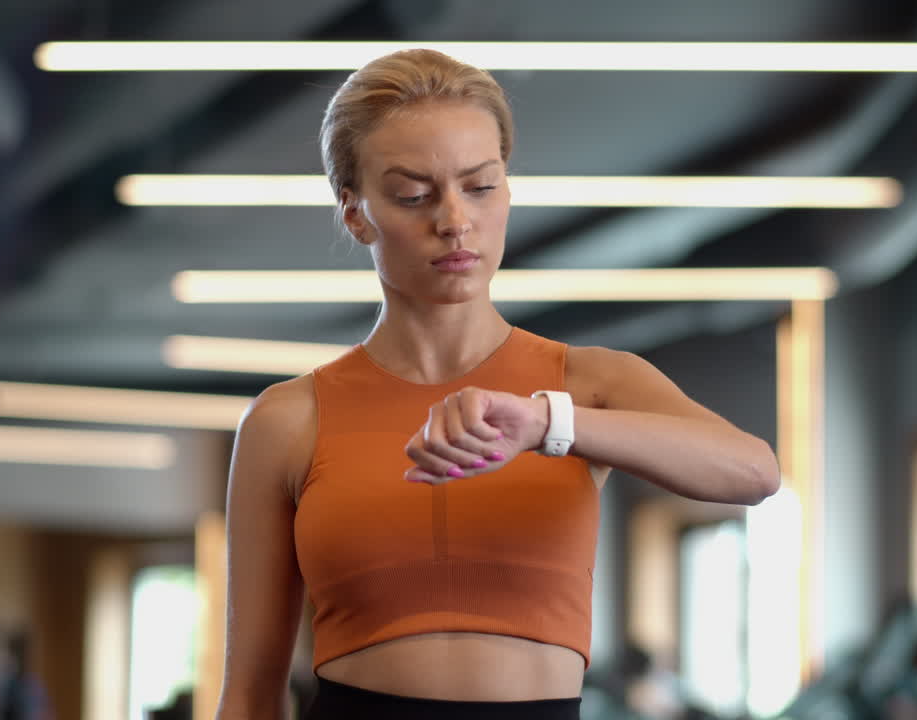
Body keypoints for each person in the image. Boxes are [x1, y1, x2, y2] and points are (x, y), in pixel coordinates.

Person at [216, 48, 780, 720]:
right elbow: (251, 691)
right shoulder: (288, 420)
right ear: (356, 212)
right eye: (413, 194)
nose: (455, 219)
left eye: (480, 186)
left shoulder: (589, 384)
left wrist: (549, 424)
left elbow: (755, 471)